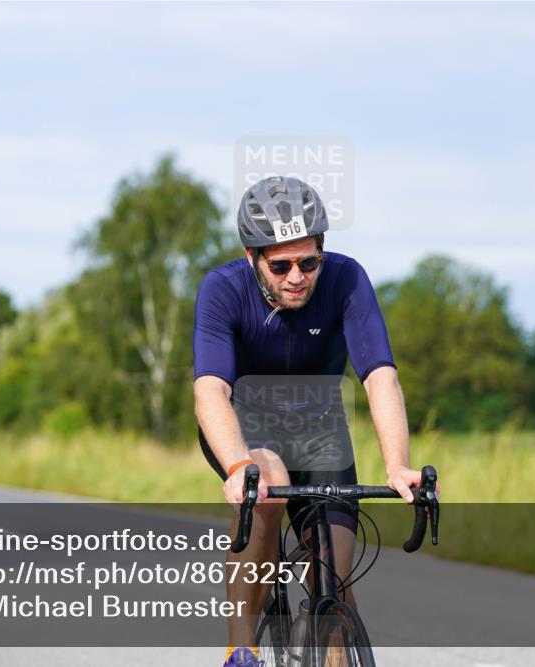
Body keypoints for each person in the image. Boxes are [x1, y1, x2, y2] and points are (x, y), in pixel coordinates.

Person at [194, 176, 422, 666]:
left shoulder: (347, 280)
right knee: (268, 485)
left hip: (320, 434)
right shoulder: (223, 289)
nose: (297, 276)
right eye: (280, 265)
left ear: (323, 251)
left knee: (332, 580)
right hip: (246, 431)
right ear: (252, 256)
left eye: (309, 262)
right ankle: (241, 649)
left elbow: (380, 377)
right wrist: (237, 468)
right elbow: (211, 390)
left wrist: (398, 465)